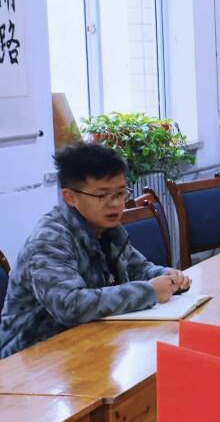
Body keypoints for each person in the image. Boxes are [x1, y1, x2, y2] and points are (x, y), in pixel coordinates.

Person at [0, 143, 191, 358]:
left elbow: (138, 268)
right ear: (70, 197)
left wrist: (167, 276)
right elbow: (70, 306)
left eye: (121, 193)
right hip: (30, 359)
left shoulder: (106, 228)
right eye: (103, 196)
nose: (116, 204)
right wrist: (149, 291)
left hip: (89, 343)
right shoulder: (49, 240)